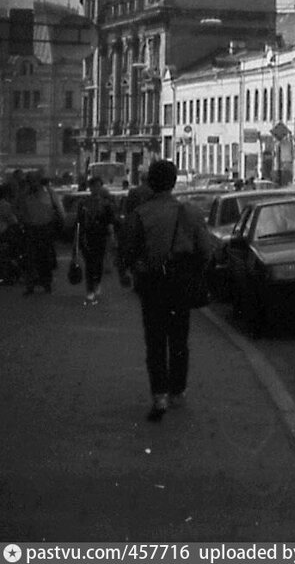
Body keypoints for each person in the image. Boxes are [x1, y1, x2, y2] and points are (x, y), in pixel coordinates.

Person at [125, 159, 214, 421]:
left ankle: (159, 396)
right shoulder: (190, 212)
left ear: (151, 182)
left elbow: (129, 251)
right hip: (179, 283)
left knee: (154, 341)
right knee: (178, 338)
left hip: (152, 284)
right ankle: (177, 391)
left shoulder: (139, 214)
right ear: (174, 182)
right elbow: (205, 251)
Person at [16, 170, 64, 295]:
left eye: (35, 180)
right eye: (30, 181)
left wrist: (59, 222)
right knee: (30, 258)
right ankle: (30, 284)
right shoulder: (24, 195)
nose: (33, 183)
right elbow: (18, 209)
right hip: (30, 229)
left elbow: (59, 209)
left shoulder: (49, 192)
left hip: (46, 228)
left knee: (45, 258)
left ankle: (46, 283)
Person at [77, 176, 118, 305]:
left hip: (100, 236)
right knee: (89, 262)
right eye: (93, 186)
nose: (96, 188)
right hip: (87, 236)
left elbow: (109, 221)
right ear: (90, 187)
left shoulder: (106, 205)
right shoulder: (83, 203)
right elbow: (79, 222)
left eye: (98, 186)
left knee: (98, 261)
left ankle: (97, 282)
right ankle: (90, 289)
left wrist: (111, 236)